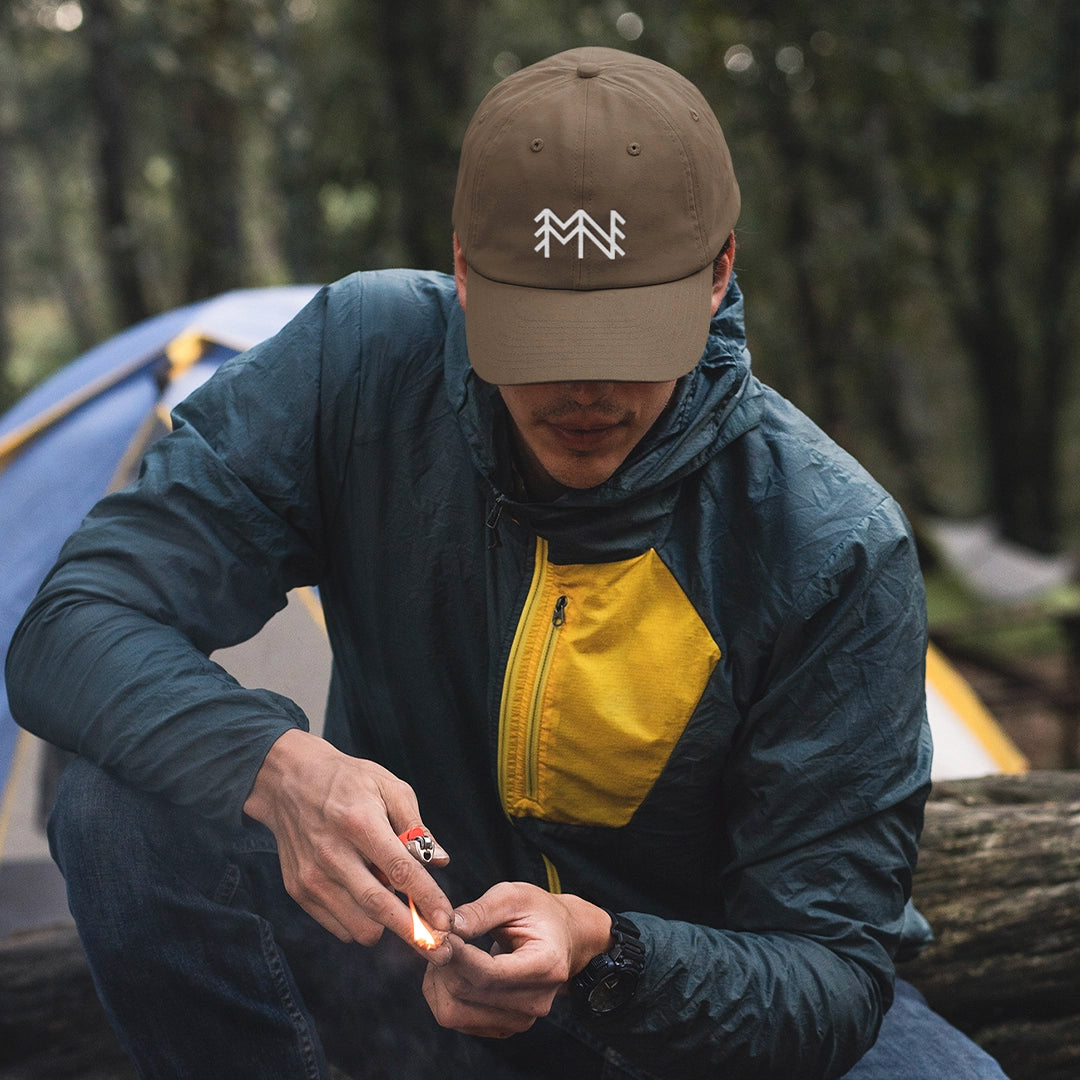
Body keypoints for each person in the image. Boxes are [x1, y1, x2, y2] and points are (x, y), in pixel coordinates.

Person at [6, 47, 1007, 1080]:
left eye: (624, 334)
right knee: (125, 807)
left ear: (717, 275)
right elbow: (72, 621)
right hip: (409, 956)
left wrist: (602, 951)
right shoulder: (362, 368)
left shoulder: (826, 541)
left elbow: (833, 975)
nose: (584, 388)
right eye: (543, 331)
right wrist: (276, 768)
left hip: (672, 1005)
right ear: (468, 273)